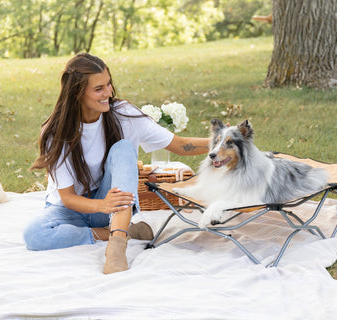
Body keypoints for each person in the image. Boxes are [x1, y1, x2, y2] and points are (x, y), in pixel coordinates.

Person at [23, 53, 209, 274]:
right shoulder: (55, 132)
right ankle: (117, 231)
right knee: (34, 235)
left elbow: (180, 145)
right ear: (77, 93)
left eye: (109, 84)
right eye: (99, 88)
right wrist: (102, 206)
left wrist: (226, 141)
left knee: (123, 148)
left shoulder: (124, 114)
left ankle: (116, 245)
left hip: (112, 205)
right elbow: (68, 198)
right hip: (71, 210)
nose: (108, 92)